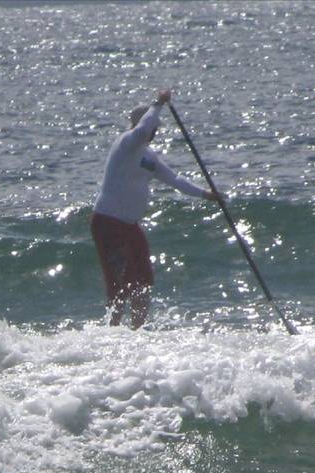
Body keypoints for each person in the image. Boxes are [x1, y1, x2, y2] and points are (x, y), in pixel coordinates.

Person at [92, 90, 222, 329]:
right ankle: (111, 332)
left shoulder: (148, 157)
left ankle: (136, 331)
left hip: (130, 226)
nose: (154, 132)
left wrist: (206, 195)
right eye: (153, 127)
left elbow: (175, 180)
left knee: (142, 281)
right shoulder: (127, 142)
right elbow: (142, 129)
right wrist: (159, 104)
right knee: (120, 284)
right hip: (108, 222)